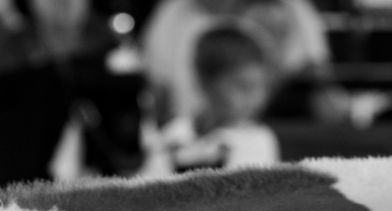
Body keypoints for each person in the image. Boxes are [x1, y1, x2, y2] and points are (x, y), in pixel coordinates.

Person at [141, 0, 345, 123]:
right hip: (187, 137)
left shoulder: (288, 10)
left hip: (266, 132)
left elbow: (322, 86)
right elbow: (156, 91)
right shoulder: (172, 12)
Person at [141, 22, 280, 175]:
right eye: (243, 87)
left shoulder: (257, 139)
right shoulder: (173, 135)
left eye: (261, 87)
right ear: (205, 82)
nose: (256, 99)